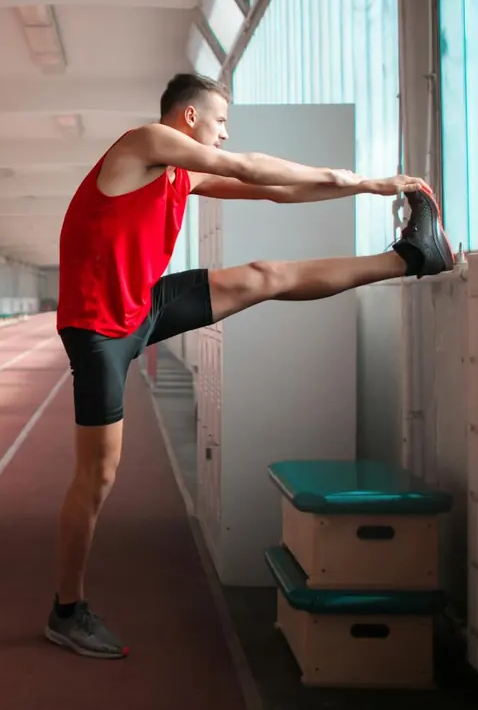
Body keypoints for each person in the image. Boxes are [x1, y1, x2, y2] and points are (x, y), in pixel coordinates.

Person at [45, 72, 453, 659]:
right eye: (220, 122)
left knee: (265, 276)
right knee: (98, 478)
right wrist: (367, 182)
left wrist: (353, 191)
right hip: (97, 332)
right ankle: (66, 610)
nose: (225, 132)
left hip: (145, 305)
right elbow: (253, 167)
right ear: (189, 118)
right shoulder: (143, 143)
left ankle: (411, 257)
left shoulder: (181, 172)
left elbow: (277, 190)